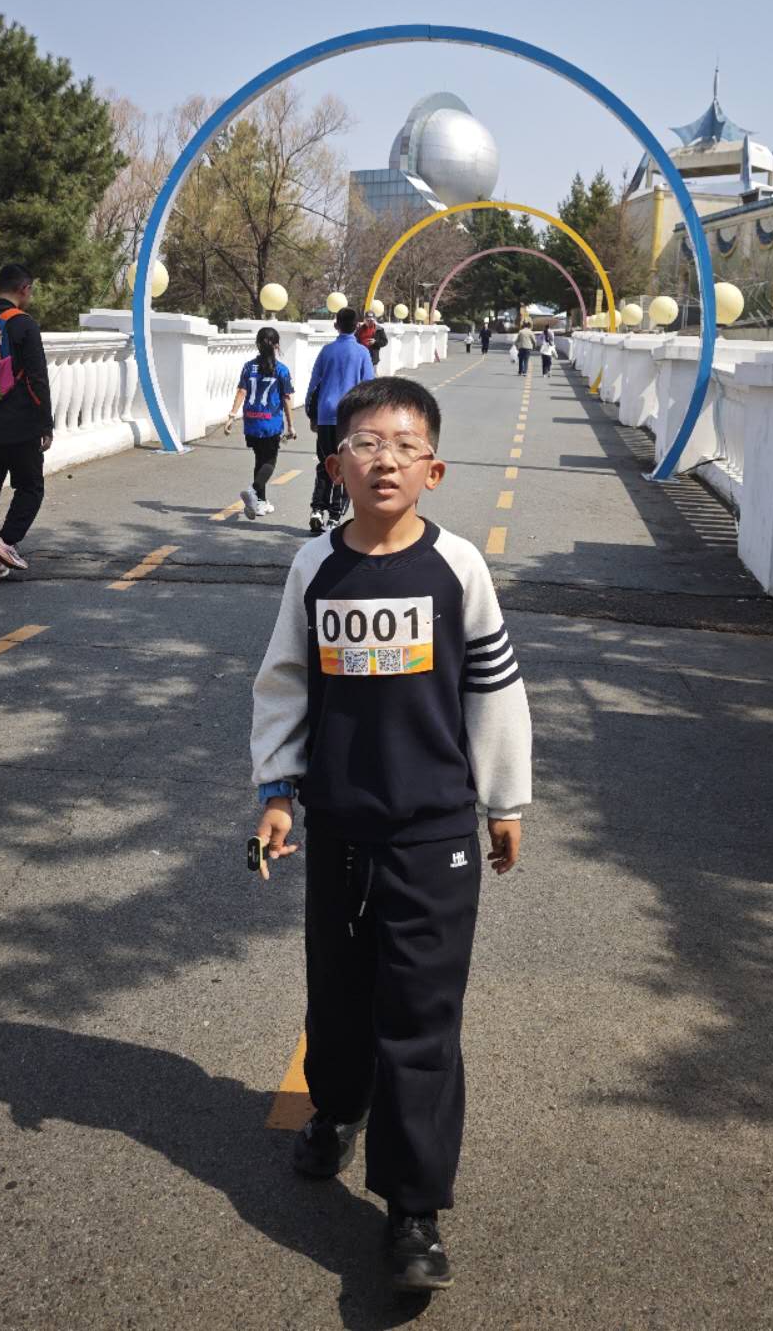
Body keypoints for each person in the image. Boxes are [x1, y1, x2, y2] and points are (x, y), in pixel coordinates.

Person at [250, 375, 531, 1294]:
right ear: (336, 466)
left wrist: (504, 802)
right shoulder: (313, 567)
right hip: (337, 826)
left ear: (433, 470)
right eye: (367, 443)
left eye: (406, 446)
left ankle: (414, 1208)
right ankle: (337, 1111)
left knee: (419, 1015)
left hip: (434, 833)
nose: (385, 460)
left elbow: (493, 686)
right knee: (337, 991)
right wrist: (279, 794)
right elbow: (285, 683)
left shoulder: (459, 569)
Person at [0, 263, 53, 586]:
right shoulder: (24, 325)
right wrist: (45, 424)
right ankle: (6, 542)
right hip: (20, 425)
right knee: (31, 487)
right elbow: (37, 378)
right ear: (24, 289)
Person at [305, 306, 373, 534]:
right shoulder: (362, 353)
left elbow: (314, 385)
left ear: (336, 325)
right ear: (357, 326)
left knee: (325, 462)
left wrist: (312, 414)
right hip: (349, 417)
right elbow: (368, 387)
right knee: (344, 466)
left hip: (326, 414)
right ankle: (334, 517)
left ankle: (317, 509)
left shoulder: (327, 351)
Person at [222, 326, 295, 520]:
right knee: (269, 461)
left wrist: (231, 416)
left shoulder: (248, 367)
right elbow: (286, 398)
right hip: (270, 423)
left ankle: (260, 502)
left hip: (251, 421)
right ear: (277, 346)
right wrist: (291, 425)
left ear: (257, 344)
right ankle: (253, 490)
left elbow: (242, 391)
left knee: (259, 460)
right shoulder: (281, 370)